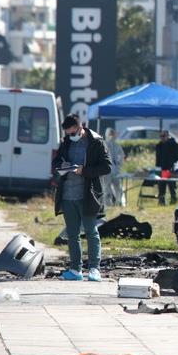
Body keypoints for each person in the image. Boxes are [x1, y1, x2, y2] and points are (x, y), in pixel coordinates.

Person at [52, 114, 112, 281]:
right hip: (67, 196)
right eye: (69, 134)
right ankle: (75, 269)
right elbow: (55, 162)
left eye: (73, 133)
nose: (71, 136)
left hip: (88, 196)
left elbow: (107, 167)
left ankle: (94, 268)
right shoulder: (66, 142)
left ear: (80, 127)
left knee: (91, 232)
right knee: (72, 235)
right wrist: (61, 166)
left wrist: (84, 171)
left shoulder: (96, 142)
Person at [155, 130, 178, 205]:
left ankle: (173, 199)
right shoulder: (159, 146)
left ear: (168, 136)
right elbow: (158, 159)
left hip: (171, 169)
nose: (162, 138)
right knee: (161, 185)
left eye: (164, 136)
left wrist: (176, 167)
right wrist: (157, 168)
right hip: (162, 169)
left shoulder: (173, 144)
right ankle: (161, 200)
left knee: (171, 185)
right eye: (161, 136)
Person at [102, 128, 125, 206]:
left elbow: (122, 155)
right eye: (110, 134)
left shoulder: (117, 145)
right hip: (106, 170)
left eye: (112, 134)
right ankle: (108, 204)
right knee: (106, 188)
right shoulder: (103, 144)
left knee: (118, 187)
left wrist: (119, 164)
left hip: (115, 170)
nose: (111, 136)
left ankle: (119, 202)